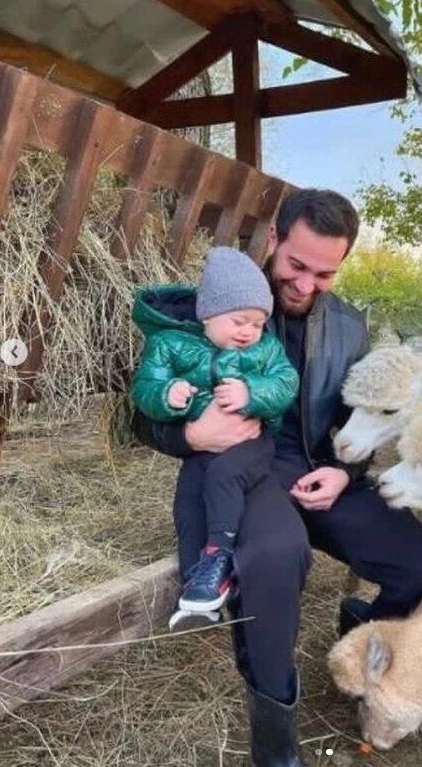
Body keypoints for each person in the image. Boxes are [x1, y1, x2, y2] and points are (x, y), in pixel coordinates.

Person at [133, 189, 422, 765]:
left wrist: (343, 471)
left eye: (325, 274)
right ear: (274, 239)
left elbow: (355, 420)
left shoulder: (350, 328)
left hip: (318, 471)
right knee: (275, 559)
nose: (306, 284)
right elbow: (140, 414)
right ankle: (276, 743)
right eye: (296, 265)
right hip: (245, 469)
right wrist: (191, 437)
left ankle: (359, 630)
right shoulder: (217, 303)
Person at [130, 248, 299, 628]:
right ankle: (198, 593)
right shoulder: (170, 344)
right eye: (240, 321)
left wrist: (251, 393)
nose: (249, 332)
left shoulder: (266, 350)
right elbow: (145, 387)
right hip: (203, 448)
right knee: (188, 499)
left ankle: (218, 557)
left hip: (252, 441)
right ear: (208, 313)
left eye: (258, 324)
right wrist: (168, 396)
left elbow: (286, 382)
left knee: (222, 477)